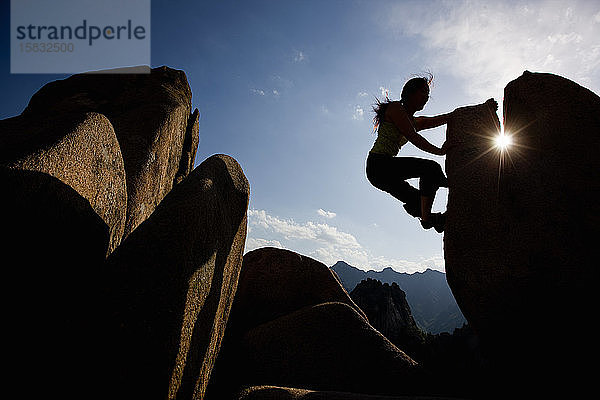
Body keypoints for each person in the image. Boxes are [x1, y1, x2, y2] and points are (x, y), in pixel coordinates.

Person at [365, 75, 451, 232]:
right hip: (379, 164)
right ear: (410, 93)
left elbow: (438, 119)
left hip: (382, 173)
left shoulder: (414, 120)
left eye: (428, 94)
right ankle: (427, 218)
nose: (426, 97)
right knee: (431, 168)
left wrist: (470, 112)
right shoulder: (396, 109)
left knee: (420, 201)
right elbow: (413, 137)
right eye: (423, 92)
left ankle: (432, 218)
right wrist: (440, 151)